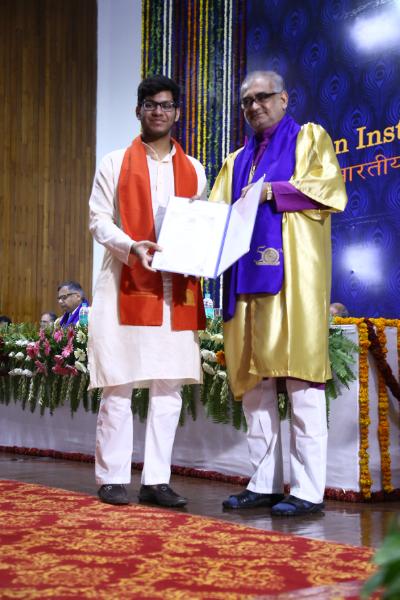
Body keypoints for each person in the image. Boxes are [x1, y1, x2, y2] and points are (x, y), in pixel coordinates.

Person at [210, 70, 348, 516]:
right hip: (243, 281)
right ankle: (263, 483)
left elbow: (328, 190)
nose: (254, 106)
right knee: (256, 386)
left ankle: (308, 489)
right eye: (246, 101)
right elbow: (213, 218)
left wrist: (271, 191)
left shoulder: (309, 139)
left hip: (293, 281)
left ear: (284, 98)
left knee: (301, 382)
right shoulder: (235, 162)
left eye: (263, 97)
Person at [88, 74, 207, 507]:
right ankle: (113, 476)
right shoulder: (114, 162)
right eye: (151, 104)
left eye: (167, 104)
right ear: (138, 110)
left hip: (175, 287)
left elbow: (200, 225)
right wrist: (131, 246)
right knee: (119, 382)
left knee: (168, 385)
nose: (159, 111)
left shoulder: (195, 170)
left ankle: (157, 480)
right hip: (125, 280)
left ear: (178, 112)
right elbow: (99, 220)